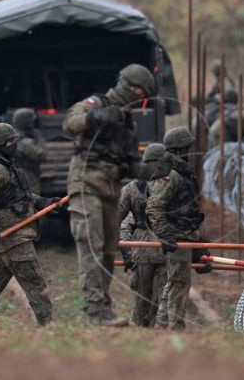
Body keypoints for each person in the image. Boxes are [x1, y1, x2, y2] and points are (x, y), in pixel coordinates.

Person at [63, 63, 154, 327]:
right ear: (126, 85)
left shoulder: (128, 125)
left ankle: (103, 306)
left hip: (111, 191)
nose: (140, 98)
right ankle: (95, 310)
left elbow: (131, 162)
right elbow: (70, 124)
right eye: (138, 90)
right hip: (86, 184)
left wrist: (153, 170)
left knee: (107, 253)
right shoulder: (95, 103)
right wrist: (96, 117)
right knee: (92, 246)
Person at [0, 123, 58, 325]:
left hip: (8, 241)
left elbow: (17, 196)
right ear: (4, 144)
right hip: (14, 239)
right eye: (12, 141)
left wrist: (41, 202)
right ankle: (49, 326)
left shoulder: (5, 165)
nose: (15, 145)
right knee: (36, 285)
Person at [146, 127, 210, 331]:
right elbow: (154, 206)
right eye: (187, 148)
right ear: (180, 149)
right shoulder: (170, 174)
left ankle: (163, 324)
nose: (190, 152)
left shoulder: (181, 171)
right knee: (179, 283)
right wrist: (165, 234)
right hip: (176, 237)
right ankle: (175, 328)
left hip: (185, 235)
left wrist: (200, 244)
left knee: (174, 282)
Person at [119, 143, 171, 327]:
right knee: (164, 297)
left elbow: (117, 218)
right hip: (167, 245)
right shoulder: (172, 183)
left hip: (142, 247)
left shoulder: (131, 188)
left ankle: (139, 330)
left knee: (141, 297)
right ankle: (160, 331)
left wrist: (123, 249)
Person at [12, 108, 45, 193]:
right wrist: (39, 138)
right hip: (27, 178)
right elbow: (42, 156)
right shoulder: (25, 142)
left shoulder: (12, 137)